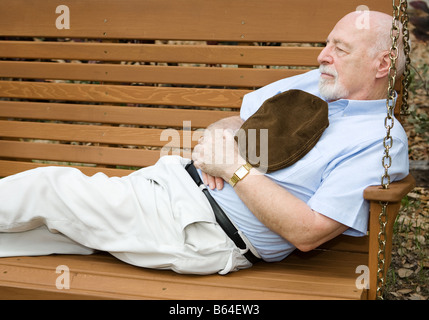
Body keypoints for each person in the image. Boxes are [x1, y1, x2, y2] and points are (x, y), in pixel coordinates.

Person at [0, 11, 409, 275]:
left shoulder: (377, 141)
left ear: (382, 64)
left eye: (339, 48)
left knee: (49, 188)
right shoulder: (319, 85)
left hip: (200, 231)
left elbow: (309, 233)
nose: (323, 55)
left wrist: (233, 169)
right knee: (32, 234)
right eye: (326, 44)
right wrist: (216, 137)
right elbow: (237, 119)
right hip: (171, 191)